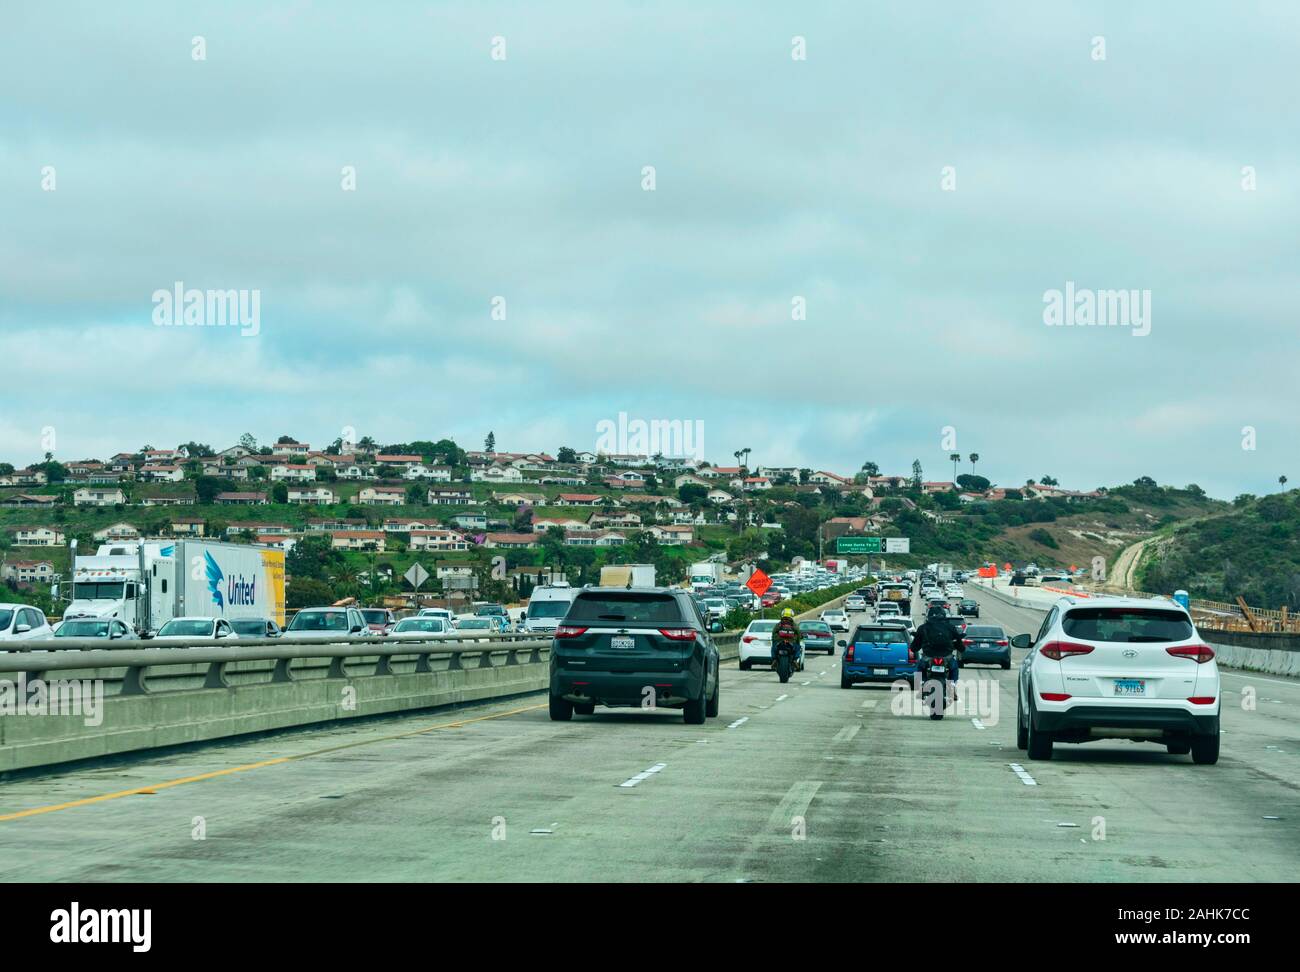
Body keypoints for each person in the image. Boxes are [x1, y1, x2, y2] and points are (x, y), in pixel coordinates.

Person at [911, 604, 964, 688]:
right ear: (943, 615)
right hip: (946, 656)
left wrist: (915, 647)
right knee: (954, 668)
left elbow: (914, 647)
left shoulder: (923, 628)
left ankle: (921, 683)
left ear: (929, 616)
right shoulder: (950, 627)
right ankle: (952, 686)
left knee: (919, 667)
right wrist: (960, 647)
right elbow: (959, 644)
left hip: (928, 656)